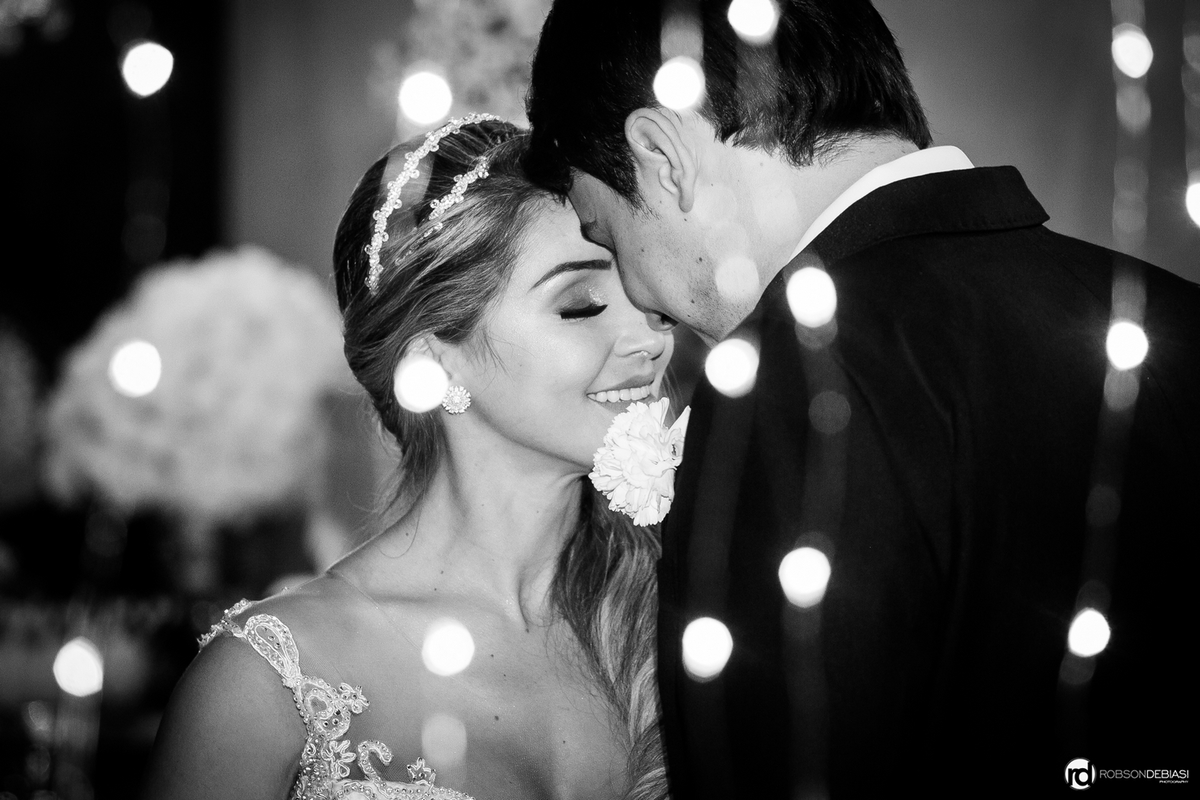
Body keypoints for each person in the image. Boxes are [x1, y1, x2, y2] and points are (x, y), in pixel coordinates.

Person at [525, 0, 1199, 795]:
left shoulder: (793, 386)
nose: (644, 302)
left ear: (662, 156)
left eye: (606, 233)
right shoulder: (1173, 315)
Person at [140, 117, 675, 800]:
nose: (650, 336)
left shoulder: (682, 626)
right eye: (582, 304)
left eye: (643, 290)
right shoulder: (266, 683)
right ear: (433, 361)